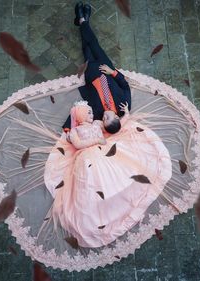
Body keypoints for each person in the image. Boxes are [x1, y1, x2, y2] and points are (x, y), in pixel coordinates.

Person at [47, 100, 172, 248]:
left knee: (117, 172)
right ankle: (99, 208)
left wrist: (125, 115)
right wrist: (96, 140)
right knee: (91, 181)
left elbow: (112, 125)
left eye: (91, 112)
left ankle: (120, 195)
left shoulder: (97, 124)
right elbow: (78, 145)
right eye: (88, 112)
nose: (92, 114)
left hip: (103, 152)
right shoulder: (75, 132)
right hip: (85, 157)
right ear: (80, 115)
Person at [62, 1, 131, 137]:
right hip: (106, 69)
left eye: (103, 120)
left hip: (92, 74)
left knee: (87, 47)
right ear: (117, 117)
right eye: (107, 118)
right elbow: (125, 86)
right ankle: (82, 20)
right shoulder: (123, 106)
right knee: (94, 44)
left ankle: (83, 20)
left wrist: (67, 129)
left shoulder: (97, 112)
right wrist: (113, 72)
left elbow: (79, 112)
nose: (103, 117)